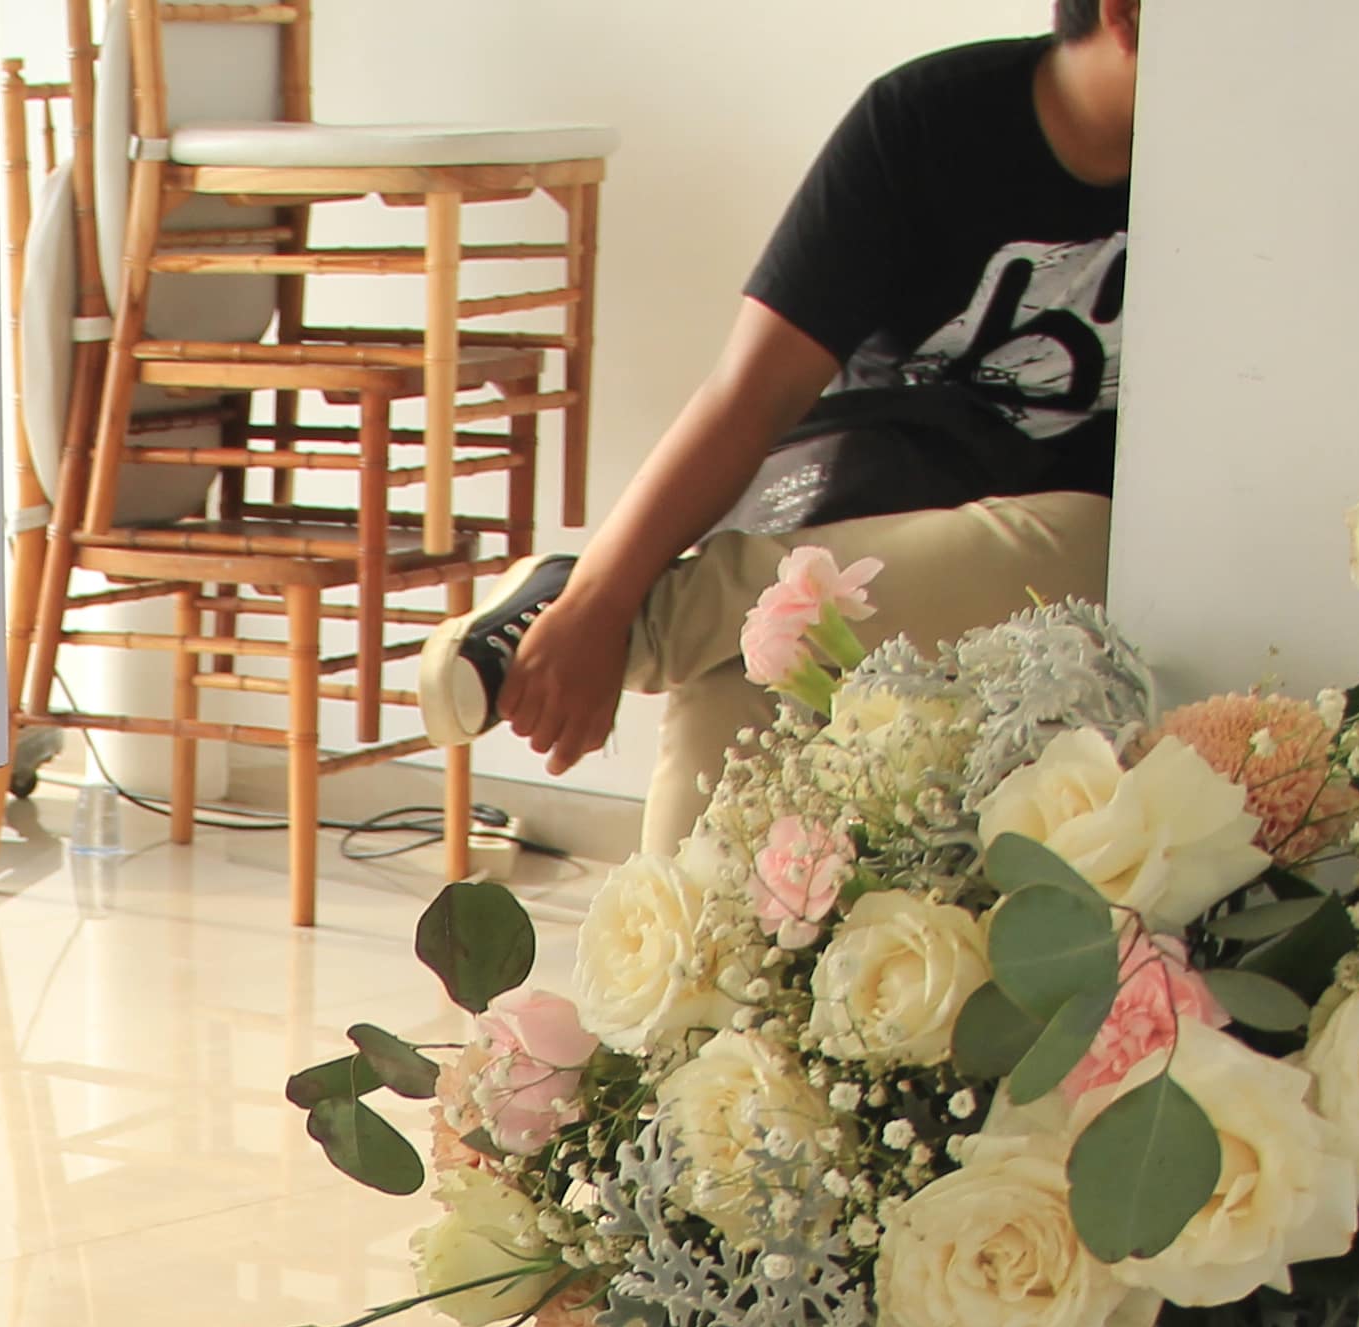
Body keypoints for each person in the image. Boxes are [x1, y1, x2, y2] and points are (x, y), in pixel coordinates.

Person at [422, 0, 1136, 853]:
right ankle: (677, 976)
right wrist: (599, 601)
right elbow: (750, 393)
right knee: (736, 681)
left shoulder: (1248, 167)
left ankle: (657, 619)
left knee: (1097, 538)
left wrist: (613, 606)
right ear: (1126, 12)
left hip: (1059, 538)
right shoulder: (926, 122)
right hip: (879, 503)